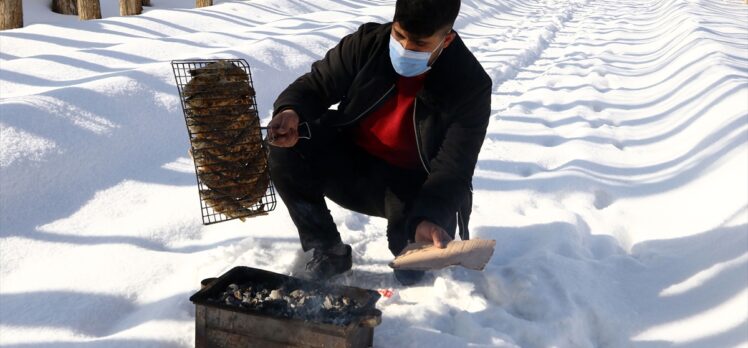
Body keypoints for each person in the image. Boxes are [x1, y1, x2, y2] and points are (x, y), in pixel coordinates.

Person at [266, 0, 491, 285]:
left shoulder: (470, 85)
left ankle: (414, 235)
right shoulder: (368, 44)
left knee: (411, 273)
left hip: (415, 187)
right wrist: (290, 111)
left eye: (420, 44)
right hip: (352, 164)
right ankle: (327, 250)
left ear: (446, 40)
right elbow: (315, 85)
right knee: (286, 146)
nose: (406, 48)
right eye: (399, 36)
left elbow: (454, 168)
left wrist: (429, 217)